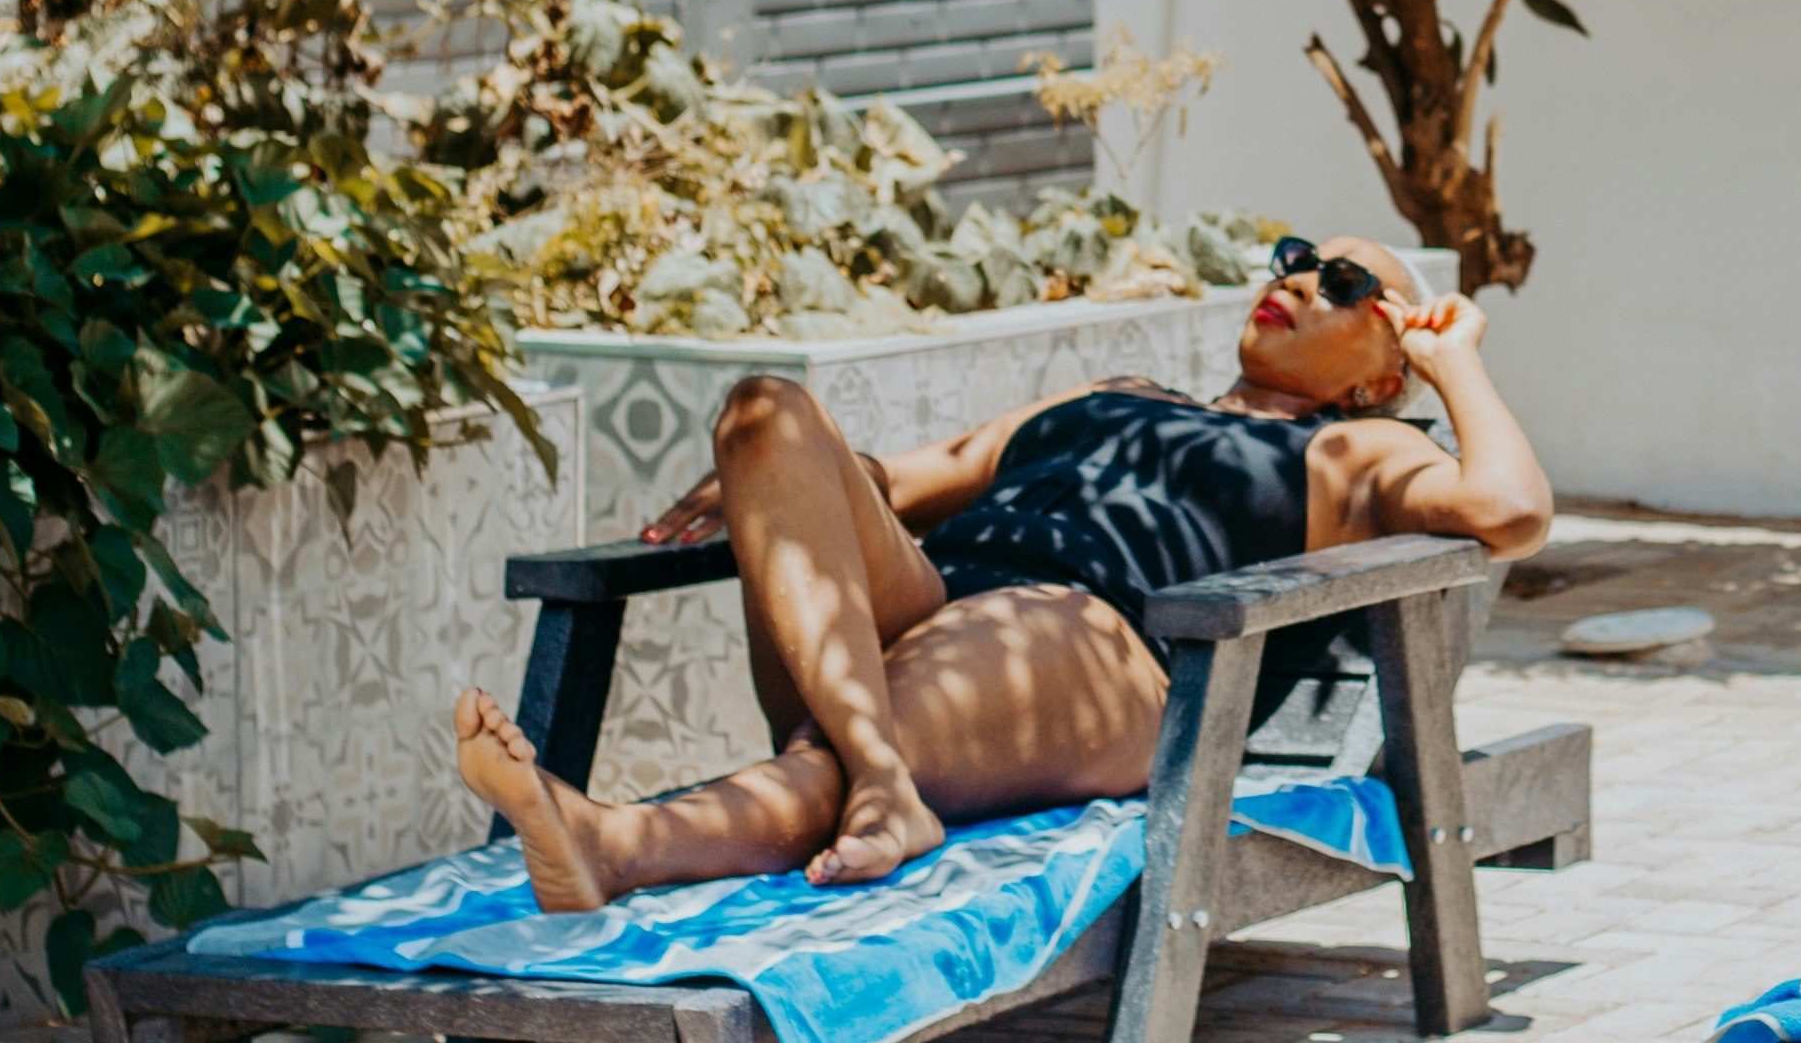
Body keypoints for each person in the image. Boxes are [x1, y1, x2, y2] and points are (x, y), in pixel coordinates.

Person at [446, 234, 1551, 903]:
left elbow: (1509, 510)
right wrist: (769, 478)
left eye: (1347, 282)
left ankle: (621, 842)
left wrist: (1453, 361)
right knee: (764, 405)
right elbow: (899, 480)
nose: (1302, 279)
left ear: (1379, 375)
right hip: (921, 612)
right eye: (1296, 257)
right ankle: (880, 778)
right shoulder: (1115, 394)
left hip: (1090, 648)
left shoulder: (1358, 451)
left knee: (933, 678)